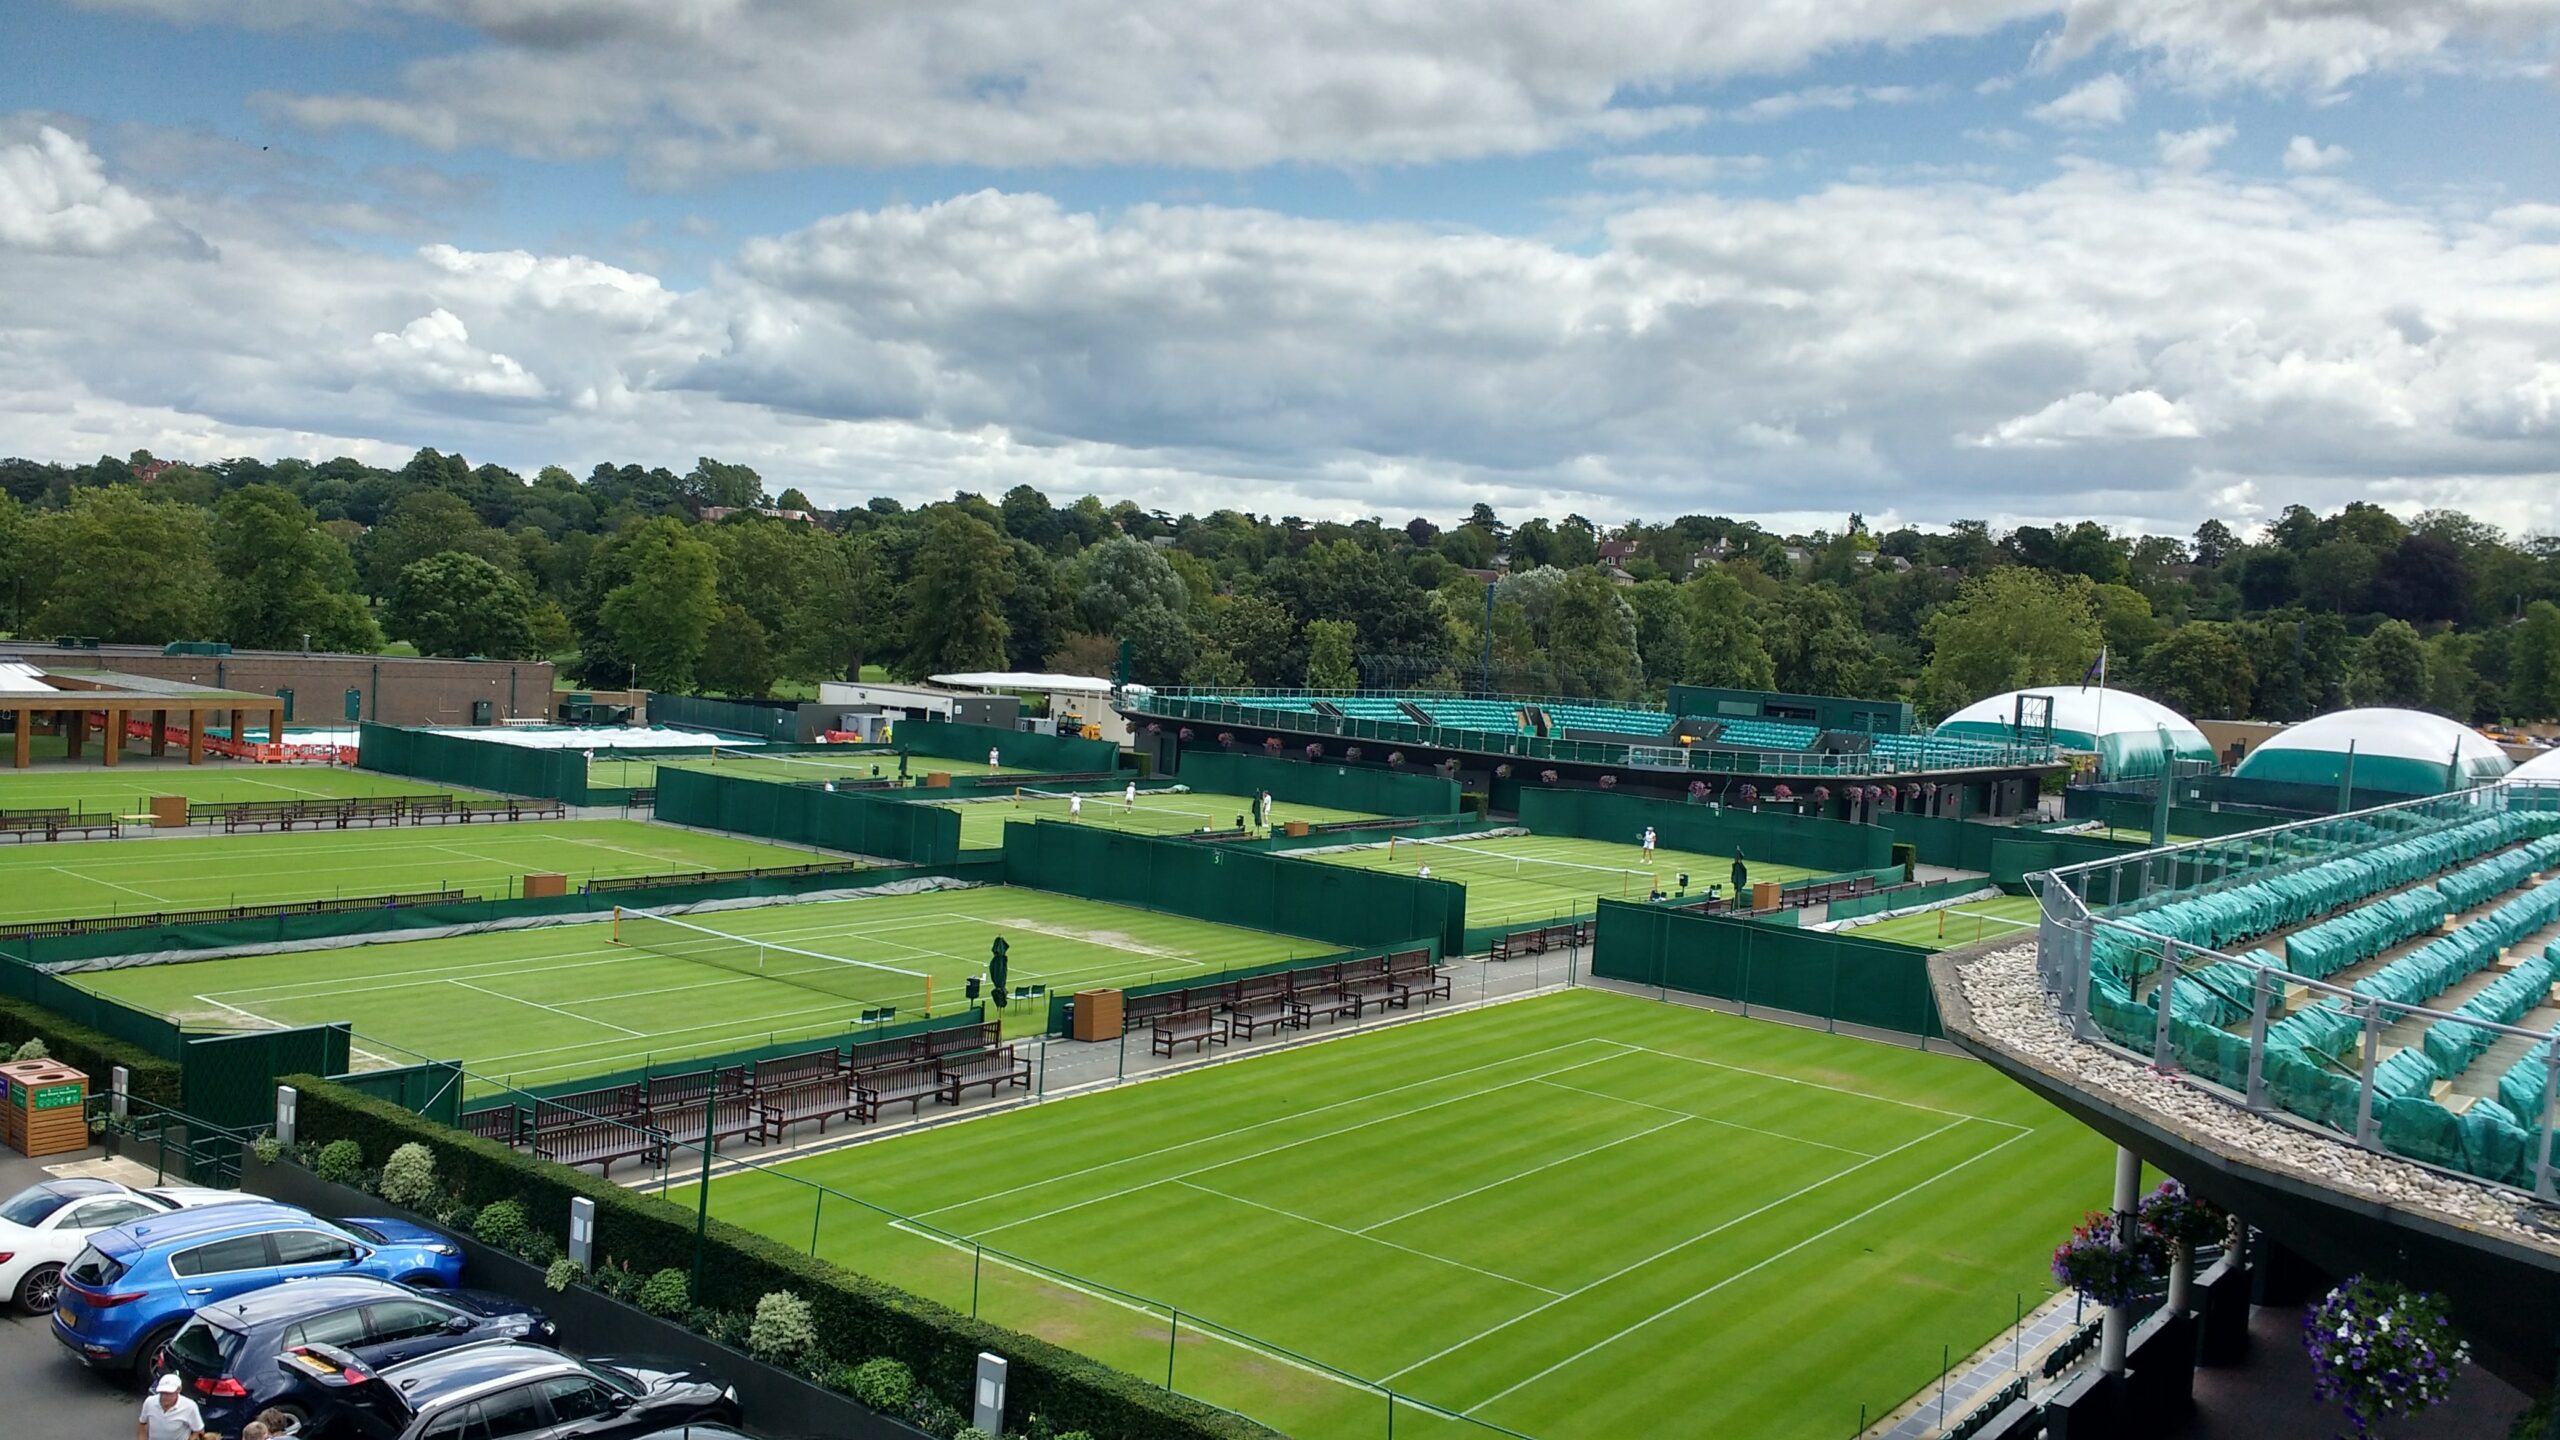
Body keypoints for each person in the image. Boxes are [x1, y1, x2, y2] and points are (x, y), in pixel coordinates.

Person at [140, 1375, 203, 1440]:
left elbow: (199, 1430)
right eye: (162, 1393)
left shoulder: (190, 1406)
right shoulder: (149, 1402)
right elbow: (142, 1423)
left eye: (168, 1393)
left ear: (179, 1389)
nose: (164, 1397)